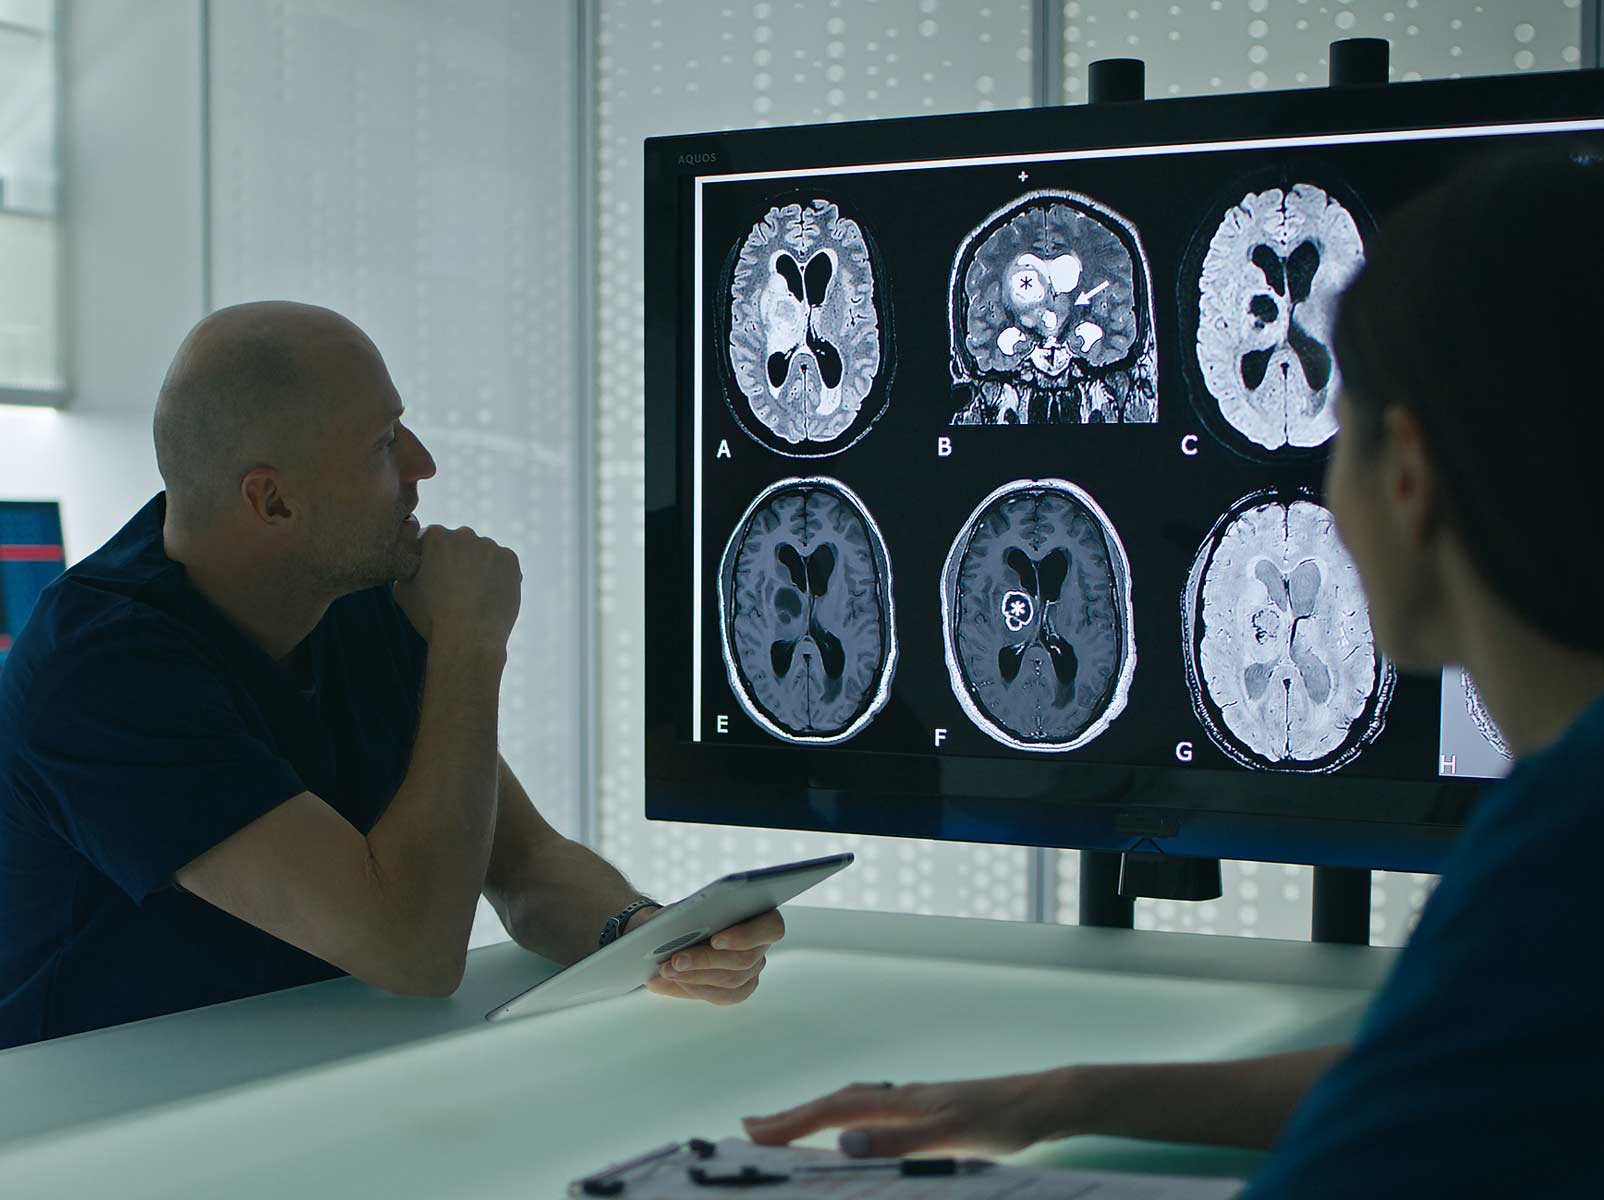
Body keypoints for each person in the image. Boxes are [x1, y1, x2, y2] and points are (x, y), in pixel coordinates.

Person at [744, 146, 1604, 1195]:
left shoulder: (1561, 849)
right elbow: (1460, 1078)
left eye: (1336, 434)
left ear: (1408, 476)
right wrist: (1065, 1098)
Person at [0, 302, 780, 1049]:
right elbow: (413, 951)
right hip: (87, 1125)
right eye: (383, 444)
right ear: (271, 501)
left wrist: (648, 935)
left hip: (296, 1082)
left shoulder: (350, 596)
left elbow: (524, 862)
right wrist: (472, 647)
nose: (423, 465)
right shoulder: (103, 674)